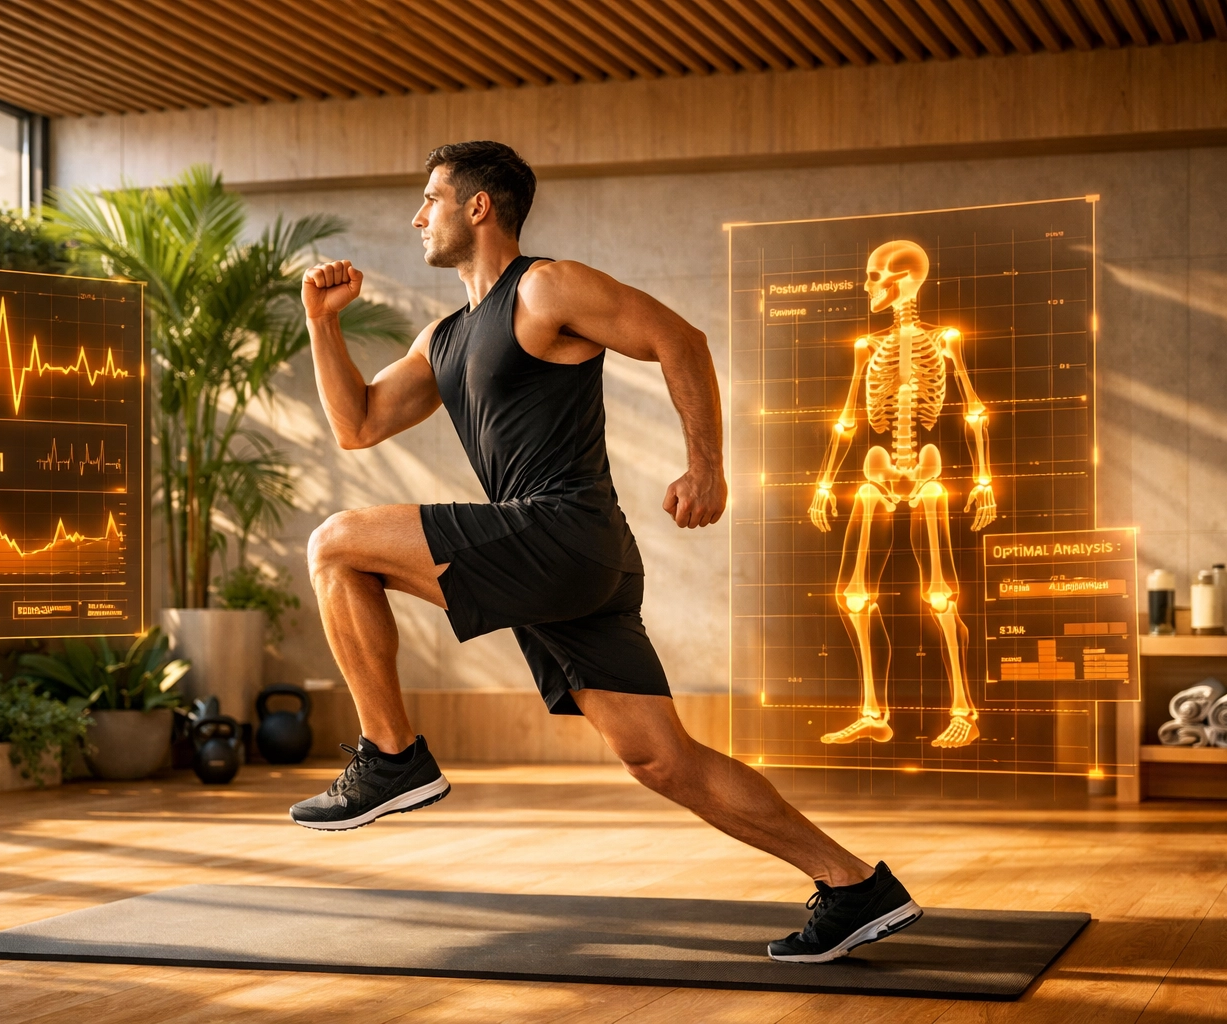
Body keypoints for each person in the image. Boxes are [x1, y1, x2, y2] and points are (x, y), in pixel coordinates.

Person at [293, 140, 921, 964]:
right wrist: (320, 324)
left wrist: (707, 467)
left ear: (478, 206)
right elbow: (358, 425)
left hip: (561, 531)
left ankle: (392, 756)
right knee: (663, 760)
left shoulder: (546, 287)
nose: (418, 217)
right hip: (567, 564)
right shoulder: (442, 338)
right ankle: (852, 886)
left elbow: (680, 339)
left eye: (431, 199)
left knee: (336, 545)